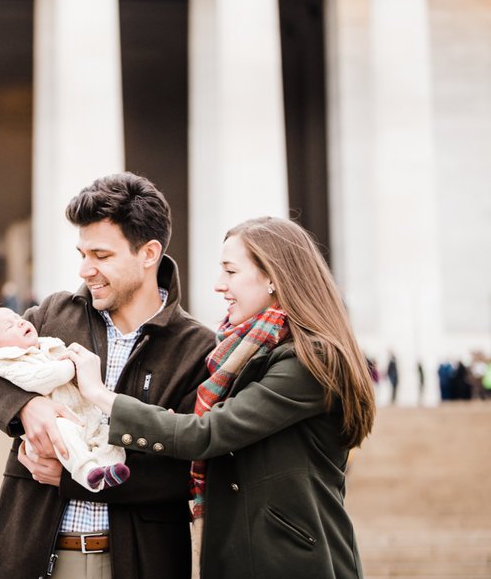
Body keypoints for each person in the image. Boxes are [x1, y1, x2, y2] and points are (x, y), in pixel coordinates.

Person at [0, 172, 215, 579]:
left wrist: (72, 480)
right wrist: (27, 407)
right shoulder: (53, 315)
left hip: (138, 563)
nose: (86, 270)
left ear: (149, 253)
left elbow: (185, 473)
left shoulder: (196, 347)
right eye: (82, 254)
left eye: (101, 256)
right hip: (31, 556)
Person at [69, 216, 376, 579]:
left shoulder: (310, 359)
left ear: (274, 277)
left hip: (291, 562)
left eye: (231, 271)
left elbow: (205, 434)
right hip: (243, 555)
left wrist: (100, 395)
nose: (218, 285)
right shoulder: (239, 353)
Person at [0, 307, 132, 490]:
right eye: (8, 326)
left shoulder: (45, 345)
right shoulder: (6, 363)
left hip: (85, 415)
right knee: (65, 431)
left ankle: (109, 470)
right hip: (57, 426)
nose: (20, 322)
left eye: (17, 317)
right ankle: (88, 471)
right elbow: (40, 380)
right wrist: (72, 364)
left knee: (108, 434)